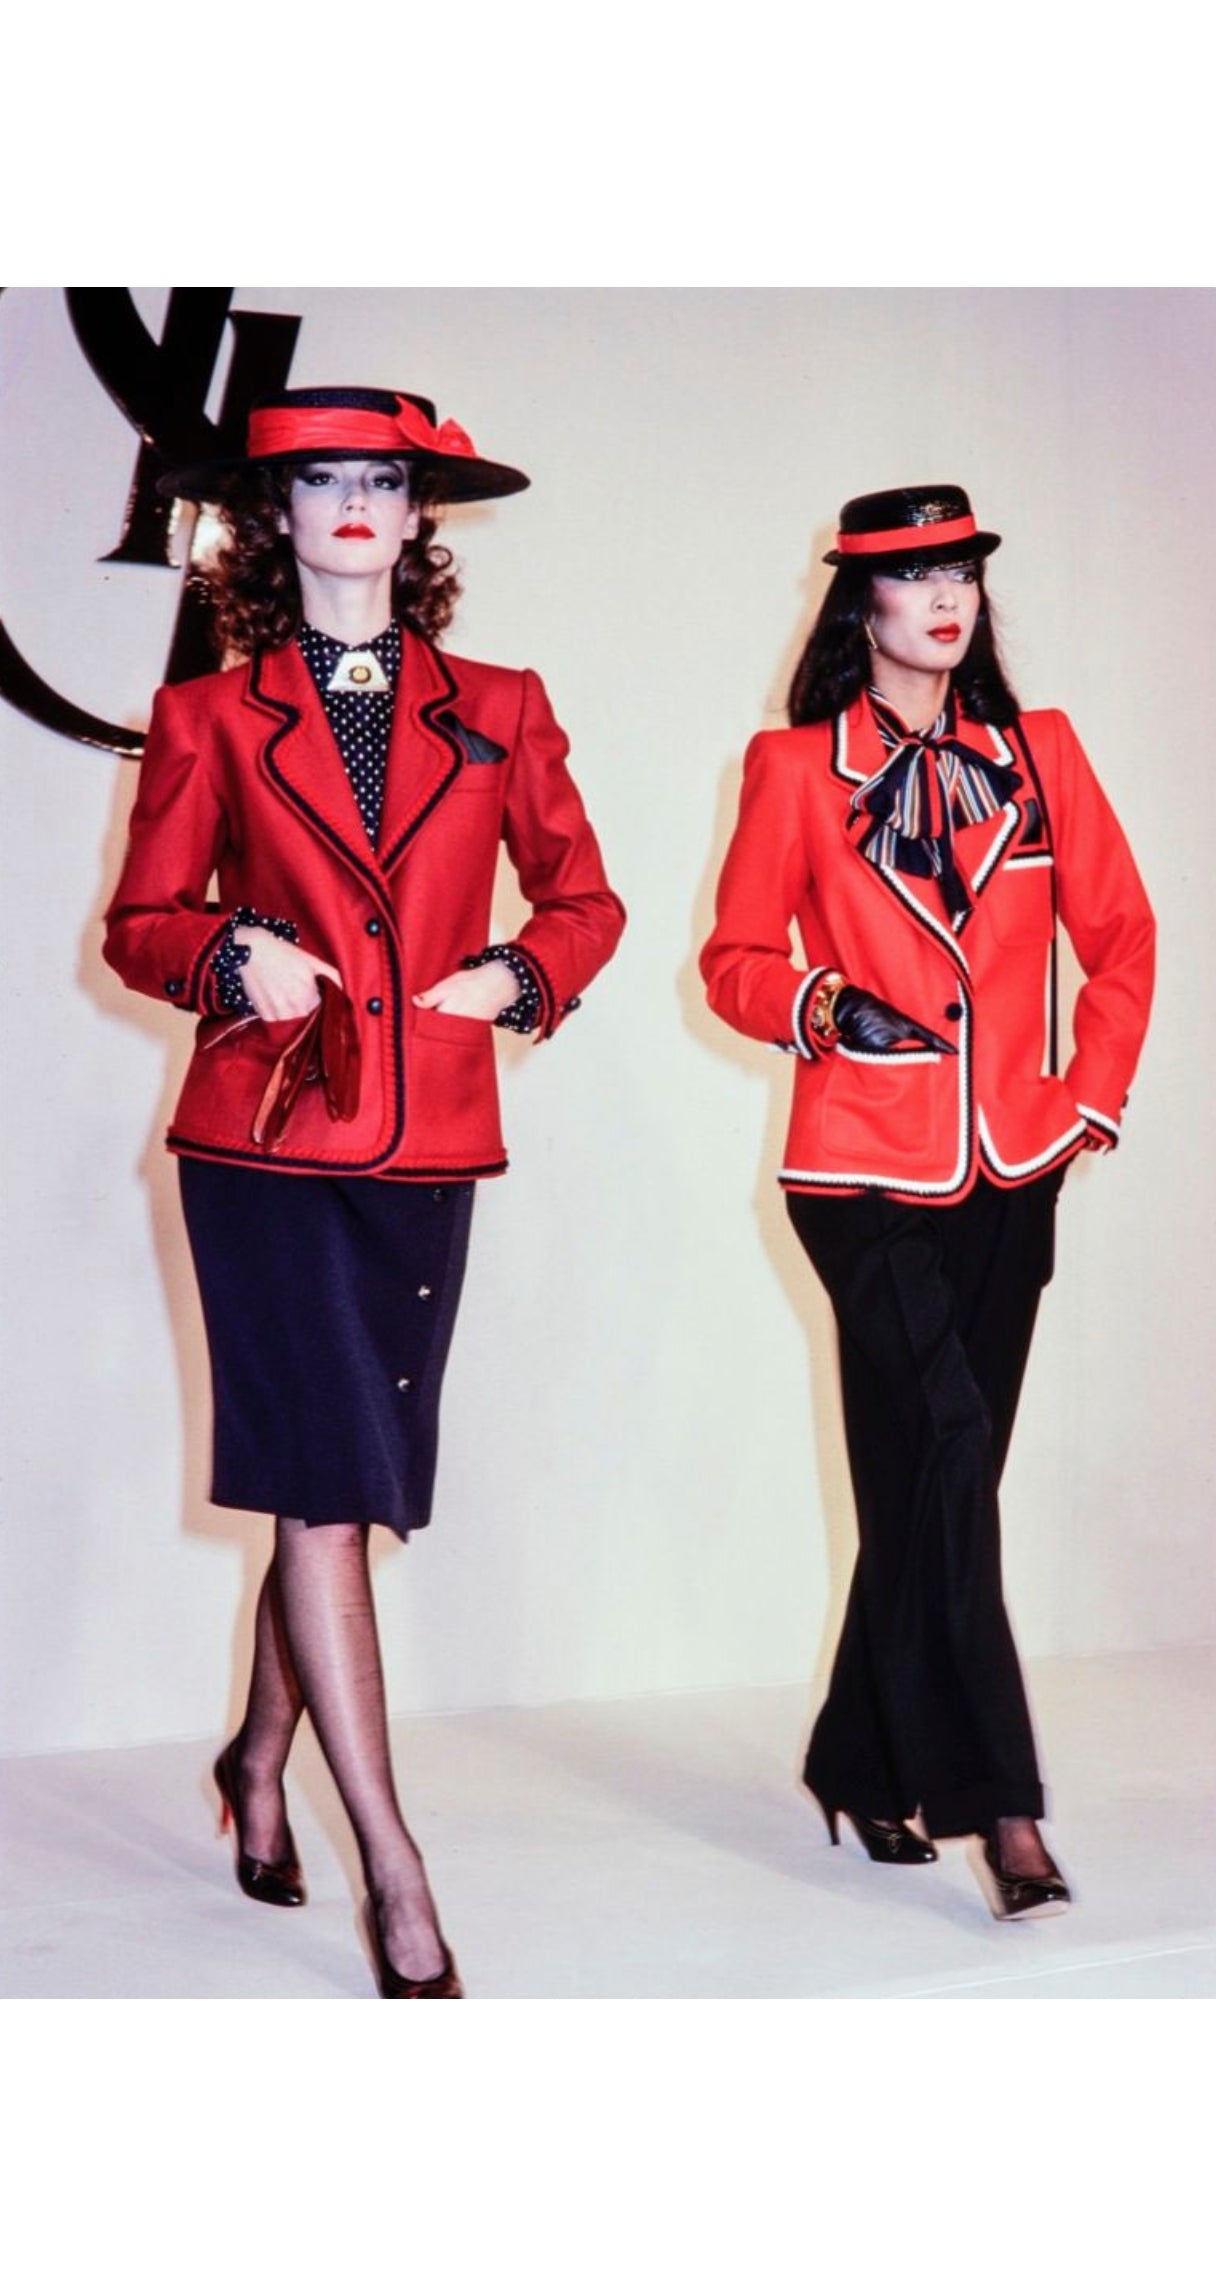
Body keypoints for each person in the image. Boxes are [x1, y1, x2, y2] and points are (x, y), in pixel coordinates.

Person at [104, 385, 625, 1995]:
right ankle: (396, 1870)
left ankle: (259, 1753)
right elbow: (139, 922)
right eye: (318, 477)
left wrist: (520, 975)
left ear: (418, 514)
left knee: (350, 1485)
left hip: (429, 1148)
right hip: (265, 1148)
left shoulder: (503, 705)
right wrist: (226, 951)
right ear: (275, 515)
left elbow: (587, 899)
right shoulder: (209, 714)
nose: (351, 501)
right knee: (327, 1492)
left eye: (381, 480)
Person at [700, 485, 1154, 1919]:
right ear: (863, 603)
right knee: (948, 1450)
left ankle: (855, 1758)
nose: (947, 596)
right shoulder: (794, 768)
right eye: (914, 575)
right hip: (859, 1173)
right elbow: (731, 959)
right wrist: (820, 1002)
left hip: (1013, 1169)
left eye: (961, 569)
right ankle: (1002, 1806)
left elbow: (1123, 936)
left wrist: (1084, 1098)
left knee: (931, 1483)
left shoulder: (1040, 752)